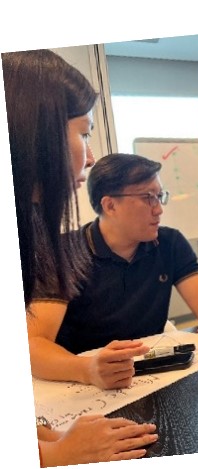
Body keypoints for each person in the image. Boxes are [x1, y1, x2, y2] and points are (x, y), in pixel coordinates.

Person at [3, 50, 157, 466]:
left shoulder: (30, 229)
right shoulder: (67, 247)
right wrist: (54, 454)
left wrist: (46, 438)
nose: (90, 156)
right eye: (84, 134)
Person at [26, 152, 198, 390]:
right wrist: (86, 369)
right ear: (110, 205)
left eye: (160, 197)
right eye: (148, 198)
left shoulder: (170, 243)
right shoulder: (63, 252)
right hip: (81, 383)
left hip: (151, 374)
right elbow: (34, 343)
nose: (158, 210)